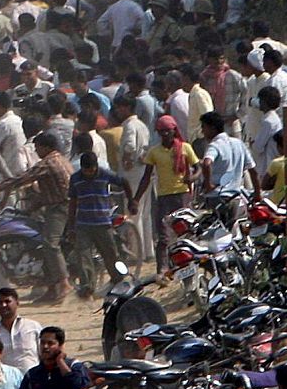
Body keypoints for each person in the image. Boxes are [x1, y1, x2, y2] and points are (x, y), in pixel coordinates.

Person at [0, 133, 72, 304]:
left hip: (60, 209)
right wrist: (29, 209)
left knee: (49, 244)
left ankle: (64, 283)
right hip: (61, 206)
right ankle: (51, 288)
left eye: (38, 148)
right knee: (40, 245)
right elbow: (50, 191)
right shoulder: (62, 160)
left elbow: (21, 178)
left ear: (46, 147)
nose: (36, 151)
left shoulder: (48, 163)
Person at [132, 114, 194, 273]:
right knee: (163, 235)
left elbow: (199, 167)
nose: (165, 134)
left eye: (168, 131)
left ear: (174, 130)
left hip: (182, 195)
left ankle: (187, 266)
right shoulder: (154, 152)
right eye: (161, 131)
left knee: (184, 232)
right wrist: (136, 199)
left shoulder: (185, 148)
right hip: (163, 197)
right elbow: (146, 177)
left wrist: (192, 177)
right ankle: (162, 270)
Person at [67, 152, 129, 297]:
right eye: (86, 171)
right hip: (83, 224)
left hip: (103, 223)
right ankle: (87, 287)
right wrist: (71, 226)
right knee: (83, 256)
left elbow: (124, 182)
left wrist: (132, 200)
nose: (89, 173)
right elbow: (73, 203)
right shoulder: (75, 179)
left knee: (110, 254)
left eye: (91, 170)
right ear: (81, 168)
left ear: (96, 167)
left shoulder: (105, 174)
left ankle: (118, 280)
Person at [13, 327, 90, 389]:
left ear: (61, 346)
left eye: (50, 343)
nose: (45, 346)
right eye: (42, 343)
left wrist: (61, 362)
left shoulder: (74, 366)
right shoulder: (32, 374)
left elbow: (79, 388)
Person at [0, 289, 41, 371]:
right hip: (5, 378)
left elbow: (44, 354)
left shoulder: (33, 327)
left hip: (33, 377)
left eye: (7, 301)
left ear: (17, 303)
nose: (3, 305)